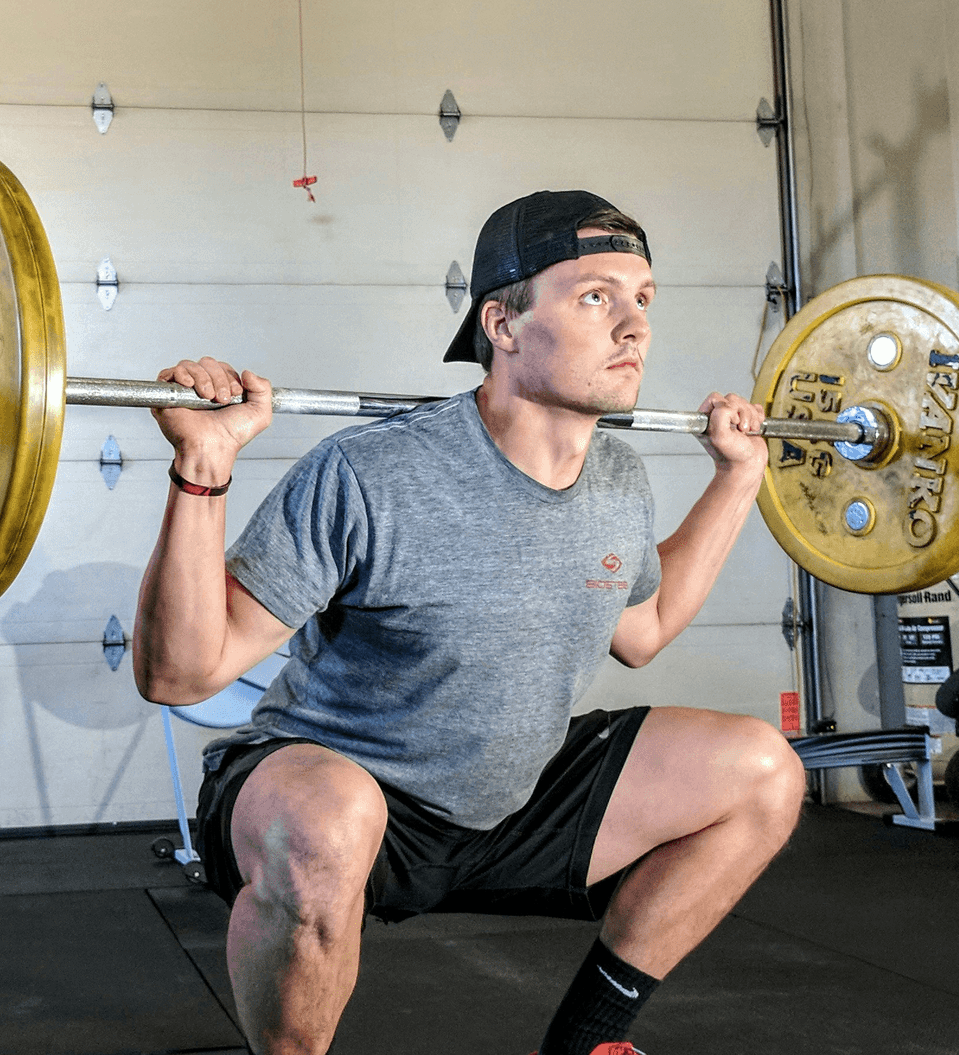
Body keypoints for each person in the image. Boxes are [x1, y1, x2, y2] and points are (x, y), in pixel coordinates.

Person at [132, 191, 807, 1055]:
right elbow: (180, 675)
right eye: (595, 296)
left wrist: (738, 478)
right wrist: (203, 466)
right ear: (504, 323)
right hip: (341, 790)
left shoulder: (619, 481)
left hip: (508, 801)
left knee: (762, 770)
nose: (633, 326)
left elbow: (642, 630)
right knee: (327, 823)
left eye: (643, 299)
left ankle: (587, 1043)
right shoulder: (373, 472)